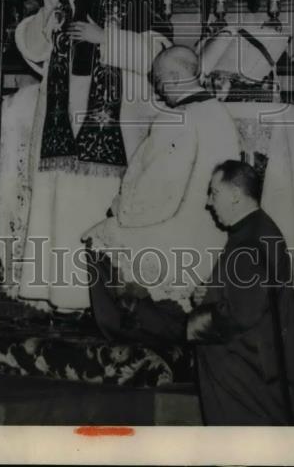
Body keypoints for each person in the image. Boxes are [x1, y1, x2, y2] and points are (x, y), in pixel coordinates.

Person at [15, 0, 170, 311]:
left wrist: (107, 39)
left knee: (97, 201)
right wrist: (46, 12)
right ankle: (58, 295)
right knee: (60, 196)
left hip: (114, 116)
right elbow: (33, 50)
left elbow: (161, 52)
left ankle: (98, 300)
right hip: (61, 106)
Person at [84, 46, 241, 322]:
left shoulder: (175, 118)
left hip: (182, 237)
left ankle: (134, 329)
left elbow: (153, 197)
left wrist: (118, 211)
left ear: (173, 76)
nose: (158, 91)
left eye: (158, 81)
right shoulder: (220, 113)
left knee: (97, 238)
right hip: (216, 237)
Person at [187, 160, 294, 425]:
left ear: (236, 195)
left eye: (214, 193)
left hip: (243, 371)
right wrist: (210, 292)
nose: (209, 202)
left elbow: (241, 313)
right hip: (252, 365)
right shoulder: (257, 229)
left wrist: (193, 322)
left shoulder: (250, 240)